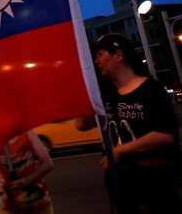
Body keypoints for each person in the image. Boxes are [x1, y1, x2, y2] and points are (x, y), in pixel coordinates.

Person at [75, 33, 181, 213]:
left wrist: (120, 150)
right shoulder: (105, 92)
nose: (96, 61)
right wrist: (83, 97)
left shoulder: (151, 90)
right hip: (119, 184)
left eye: (100, 54)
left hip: (153, 182)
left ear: (118, 55)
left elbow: (165, 135)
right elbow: (82, 125)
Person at [0, 130, 54, 213]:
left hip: (37, 201)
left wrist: (26, 181)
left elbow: (48, 164)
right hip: (8, 203)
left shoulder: (27, 133)